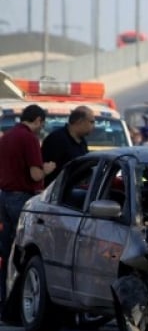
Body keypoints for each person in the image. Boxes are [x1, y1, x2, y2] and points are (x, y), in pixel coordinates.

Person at [0, 104, 55, 301]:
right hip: (21, 199)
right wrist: (47, 168)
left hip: (4, 196)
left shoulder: (8, 136)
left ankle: (4, 297)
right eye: (42, 123)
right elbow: (35, 174)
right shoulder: (29, 138)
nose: (42, 127)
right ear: (38, 120)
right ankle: (17, 299)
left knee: (6, 251)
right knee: (24, 250)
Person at [40, 105, 94, 186]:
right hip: (58, 192)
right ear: (79, 121)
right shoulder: (56, 139)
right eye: (91, 122)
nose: (94, 126)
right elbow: (48, 170)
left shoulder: (82, 141)